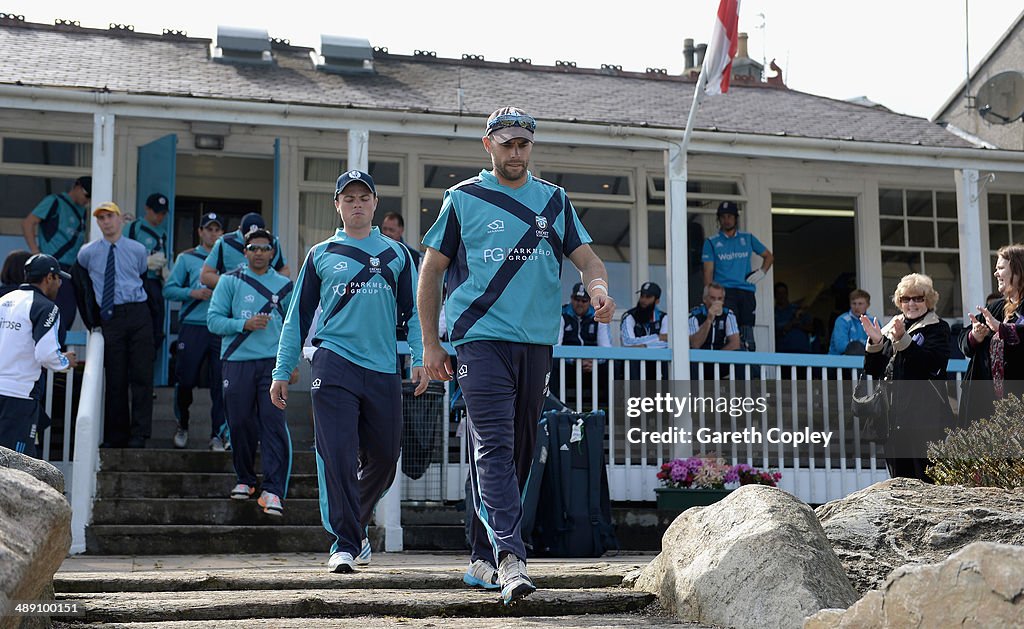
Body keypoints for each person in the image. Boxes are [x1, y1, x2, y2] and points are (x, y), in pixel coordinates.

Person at [418, 106, 614, 605]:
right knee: (494, 444)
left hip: (536, 343)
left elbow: (589, 259)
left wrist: (597, 289)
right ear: (488, 144)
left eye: (523, 143)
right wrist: (430, 343)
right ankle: (512, 558)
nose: (515, 152)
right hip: (479, 340)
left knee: (521, 452)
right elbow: (431, 271)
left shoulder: (555, 200)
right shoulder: (463, 199)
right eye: (506, 143)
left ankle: (482, 558)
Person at [271, 169, 426, 572]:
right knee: (337, 454)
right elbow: (297, 316)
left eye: (364, 197)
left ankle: (352, 529)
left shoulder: (397, 254)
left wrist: (420, 358)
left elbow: (413, 315)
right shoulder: (320, 253)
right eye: (349, 198)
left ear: (375, 204)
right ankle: (343, 542)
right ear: (337, 205)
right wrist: (282, 368)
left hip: (381, 366)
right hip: (333, 362)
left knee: (386, 456)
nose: (356, 204)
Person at [208, 228, 295, 516]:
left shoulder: (284, 286)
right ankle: (245, 479)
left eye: (264, 248)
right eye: (253, 248)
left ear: (273, 252)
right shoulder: (230, 281)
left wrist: (290, 364)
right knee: (240, 422)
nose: (258, 253)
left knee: (273, 423)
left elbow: (294, 328)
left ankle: (272, 490)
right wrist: (242, 325)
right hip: (237, 360)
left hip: (272, 363)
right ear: (245, 252)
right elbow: (213, 321)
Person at [861, 273, 955, 482]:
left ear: (928, 301)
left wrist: (903, 339)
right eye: (906, 299)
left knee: (926, 479)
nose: (911, 304)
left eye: (917, 298)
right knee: (899, 481)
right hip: (894, 418)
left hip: (925, 420)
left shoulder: (937, 328)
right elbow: (874, 370)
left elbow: (932, 364)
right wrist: (876, 342)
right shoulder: (891, 328)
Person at [76, 202, 154, 448]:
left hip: (138, 312)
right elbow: (82, 286)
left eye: (110, 217)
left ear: (120, 219)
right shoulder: (87, 253)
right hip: (111, 316)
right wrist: (92, 319)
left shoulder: (138, 249)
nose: (106, 222)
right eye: (101, 218)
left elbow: (142, 277)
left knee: (141, 375)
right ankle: (116, 435)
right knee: (115, 379)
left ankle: (140, 434)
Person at [0, 254, 77, 456]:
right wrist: (64, 361)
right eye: (58, 278)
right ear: (49, 278)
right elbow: (46, 354)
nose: (60, 284)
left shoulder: (4, 300)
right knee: (17, 466)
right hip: (19, 396)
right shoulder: (46, 307)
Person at [163, 212, 227, 450]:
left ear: (222, 233)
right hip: (192, 326)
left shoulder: (228, 259)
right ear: (200, 232)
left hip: (221, 327)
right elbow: (168, 290)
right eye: (208, 229)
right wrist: (193, 293)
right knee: (186, 380)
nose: (213, 233)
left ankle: (217, 435)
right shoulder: (187, 258)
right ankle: (183, 425)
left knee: (221, 383)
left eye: (217, 229)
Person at [959, 244, 1024, 427]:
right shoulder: (997, 307)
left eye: (1001, 268)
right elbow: (963, 339)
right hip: (987, 410)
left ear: (1019, 271)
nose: (996, 274)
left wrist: (1001, 329)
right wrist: (975, 335)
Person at [21, 176, 91, 337]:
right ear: (77, 187)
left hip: (71, 268)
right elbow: (28, 222)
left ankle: (59, 353)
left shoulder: (83, 211)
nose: (87, 201)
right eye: (86, 195)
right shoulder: (55, 201)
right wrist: (35, 252)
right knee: (52, 313)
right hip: (52, 266)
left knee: (68, 313)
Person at [702, 201, 774, 351]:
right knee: (729, 331)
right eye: (723, 217)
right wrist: (709, 296)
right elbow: (707, 271)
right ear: (718, 219)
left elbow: (768, 256)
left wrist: (762, 272)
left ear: (736, 218)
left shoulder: (747, 238)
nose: (726, 220)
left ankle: (749, 369)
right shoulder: (712, 242)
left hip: (746, 291)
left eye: (730, 216)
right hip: (725, 292)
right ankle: (729, 370)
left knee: (747, 331)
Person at [124, 192, 171, 349]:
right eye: (156, 212)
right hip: (136, 283)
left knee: (156, 327)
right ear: (147, 209)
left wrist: (164, 271)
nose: (159, 217)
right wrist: (144, 263)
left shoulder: (163, 234)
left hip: (155, 284)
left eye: (163, 213)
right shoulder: (134, 227)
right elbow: (122, 255)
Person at [553, 282, 612, 402]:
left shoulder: (599, 316)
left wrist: (592, 361)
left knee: (613, 366)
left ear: (590, 301)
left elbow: (606, 348)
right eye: (576, 299)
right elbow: (556, 347)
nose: (579, 303)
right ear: (571, 298)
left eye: (584, 300)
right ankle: (553, 409)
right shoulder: (561, 314)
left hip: (592, 366)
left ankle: (609, 410)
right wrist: (576, 360)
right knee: (553, 364)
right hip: (569, 365)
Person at [200, 212, 289, 288]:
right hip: (234, 299)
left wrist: (269, 283)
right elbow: (205, 276)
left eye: (257, 237)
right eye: (248, 237)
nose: (253, 241)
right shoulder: (225, 242)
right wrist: (235, 284)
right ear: (239, 229)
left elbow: (285, 270)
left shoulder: (272, 242)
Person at [689, 282, 740, 352]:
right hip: (699, 359)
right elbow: (695, 344)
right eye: (712, 298)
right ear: (704, 299)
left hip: (720, 359)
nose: (716, 302)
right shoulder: (694, 316)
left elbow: (735, 344)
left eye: (720, 299)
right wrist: (709, 320)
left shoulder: (728, 315)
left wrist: (716, 359)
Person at [829, 289, 877, 355]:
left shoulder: (873, 321)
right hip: (839, 361)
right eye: (854, 303)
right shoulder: (842, 320)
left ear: (868, 305)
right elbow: (841, 346)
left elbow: (879, 344)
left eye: (860, 304)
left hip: (865, 360)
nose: (856, 307)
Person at [621, 282, 669, 348]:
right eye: (642, 296)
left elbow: (667, 345)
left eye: (648, 297)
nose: (643, 300)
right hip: (634, 357)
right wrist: (657, 337)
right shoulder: (629, 316)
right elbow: (628, 342)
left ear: (657, 301)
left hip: (656, 358)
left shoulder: (663, 318)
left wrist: (645, 346)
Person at [774, 282, 814, 354]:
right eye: (779, 293)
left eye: (784, 293)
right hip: (783, 352)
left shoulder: (798, 309)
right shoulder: (772, 314)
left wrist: (799, 325)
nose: (782, 296)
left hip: (803, 350)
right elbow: (773, 334)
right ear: (775, 295)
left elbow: (811, 328)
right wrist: (791, 324)